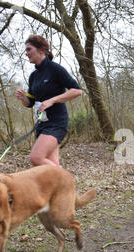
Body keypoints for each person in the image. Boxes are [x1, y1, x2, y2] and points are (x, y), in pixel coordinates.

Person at [15, 35, 82, 167]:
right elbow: (30, 103)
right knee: (51, 163)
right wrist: (24, 98)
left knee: (36, 158)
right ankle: (61, 187)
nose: (26, 53)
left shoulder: (55, 69)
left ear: (41, 50)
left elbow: (77, 91)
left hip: (56, 123)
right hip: (41, 124)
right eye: (26, 50)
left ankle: (65, 180)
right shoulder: (33, 76)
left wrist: (52, 100)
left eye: (29, 49)